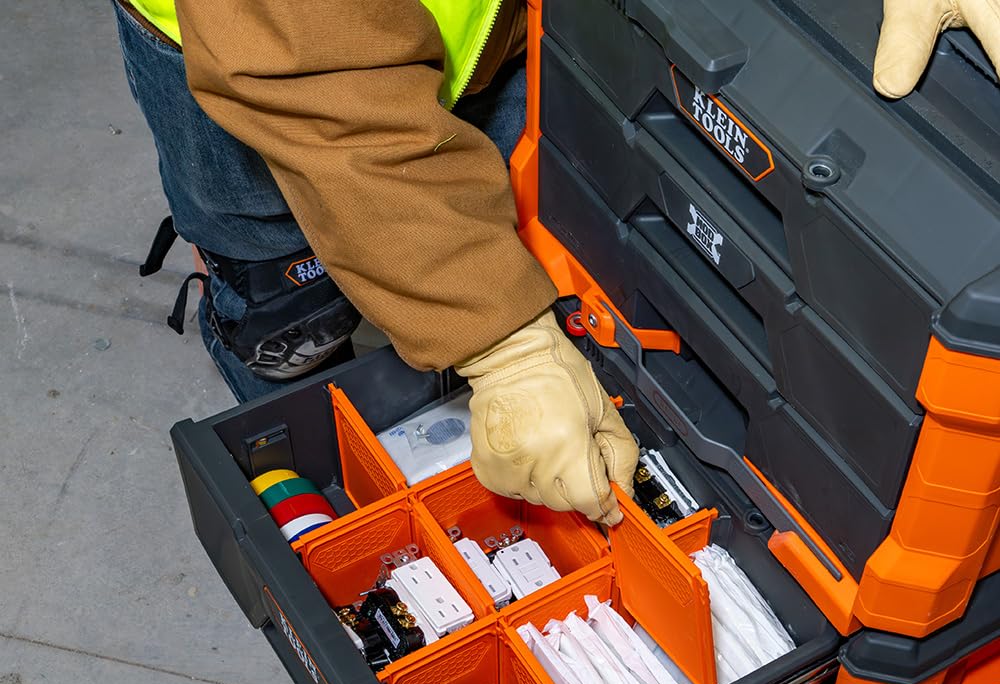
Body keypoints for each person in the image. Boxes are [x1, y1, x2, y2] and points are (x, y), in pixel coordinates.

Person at [114, 0, 1000, 528]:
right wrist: (502, 342)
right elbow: (310, 74)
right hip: (258, 51)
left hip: (499, 28)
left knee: (528, 230)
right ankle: (308, 463)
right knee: (291, 321)